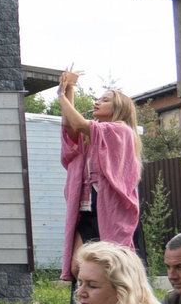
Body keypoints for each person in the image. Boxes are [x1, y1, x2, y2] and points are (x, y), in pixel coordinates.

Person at [54, 69, 141, 276]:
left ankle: (116, 303)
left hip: (112, 211)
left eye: (105, 100)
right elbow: (69, 124)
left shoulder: (120, 130)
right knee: (78, 267)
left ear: (119, 108)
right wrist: (69, 88)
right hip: (87, 209)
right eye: (98, 99)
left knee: (111, 266)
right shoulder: (94, 135)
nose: (97, 102)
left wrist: (61, 94)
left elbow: (78, 123)